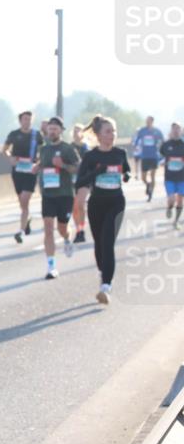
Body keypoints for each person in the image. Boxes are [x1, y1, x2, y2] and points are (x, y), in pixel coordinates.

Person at [75, 115, 130, 304]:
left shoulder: (120, 153)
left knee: (107, 242)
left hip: (116, 203)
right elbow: (80, 182)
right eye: (108, 131)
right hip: (97, 204)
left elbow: (126, 169)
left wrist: (127, 175)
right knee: (99, 244)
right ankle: (103, 272)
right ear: (98, 135)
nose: (112, 135)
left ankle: (106, 286)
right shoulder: (91, 157)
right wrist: (97, 172)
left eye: (114, 131)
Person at [34, 117, 80, 279]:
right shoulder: (44, 149)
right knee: (48, 228)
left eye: (55, 129)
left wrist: (63, 165)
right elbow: (43, 163)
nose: (52, 131)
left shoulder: (67, 149)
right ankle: (51, 266)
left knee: (62, 228)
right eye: (50, 129)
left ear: (61, 131)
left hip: (65, 194)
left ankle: (67, 238)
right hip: (48, 194)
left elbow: (77, 168)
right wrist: (37, 167)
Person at [3, 111, 44, 243]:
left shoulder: (36, 135)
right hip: (18, 170)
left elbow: (43, 151)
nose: (27, 121)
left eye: (29, 119)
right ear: (20, 121)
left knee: (25, 198)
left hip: (31, 170)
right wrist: (10, 158)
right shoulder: (14, 134)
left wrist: (38, 162)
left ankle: (20, 232)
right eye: (25, 119)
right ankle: (27, 218)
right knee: (22, 201)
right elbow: (4, 150)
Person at [133, 116, 165, 202]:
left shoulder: (157, 131)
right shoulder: (142, 130)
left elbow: (163, 140)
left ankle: (150, 193)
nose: (147, 122)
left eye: (149, 121)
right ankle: (147, 185)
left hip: (154, 156)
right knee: (143, 177)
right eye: (146, 121)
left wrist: (161, 149)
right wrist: (135, 146)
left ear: (152, 121)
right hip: (145, 156)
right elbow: (137, 140)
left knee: (152, 176)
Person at [159, 122, 184, 229]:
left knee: (180, 200)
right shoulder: (166, 145)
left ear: (181, 131)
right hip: (169, 177)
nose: (176, 131)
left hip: (182, 178)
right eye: (174, 129)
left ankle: (176, 221)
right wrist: (162, 162)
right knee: (171, 199)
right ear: (171, 131)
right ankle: (169, 207)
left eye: (178, 129)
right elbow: (161, 157)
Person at [71, 124, 90, 243]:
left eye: (78, 131)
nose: (76, 133)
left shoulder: (85, 148)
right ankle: (78, 229)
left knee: (80, 205)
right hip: (71, 180)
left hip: (84, 180)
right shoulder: (69, 147)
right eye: (74, 131)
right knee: (74, 208)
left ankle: (82, 230)